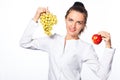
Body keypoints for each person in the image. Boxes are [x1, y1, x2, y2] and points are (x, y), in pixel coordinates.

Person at [20, 1, 115, 80]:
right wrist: (36, 17)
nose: (73, 26)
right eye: (71, 20)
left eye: (79, 22)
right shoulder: (53, 40)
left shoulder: (85, 48)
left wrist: (108, 45)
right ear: (65, 19)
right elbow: (24, 42)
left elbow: (103, 75)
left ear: (83, 25)